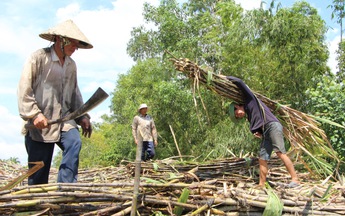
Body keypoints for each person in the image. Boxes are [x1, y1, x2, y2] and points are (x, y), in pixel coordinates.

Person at [17, 19, 93, 185]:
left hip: (64, 120)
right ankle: (37, 205)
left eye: (77, 44)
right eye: (73, 43)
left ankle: (65, 190)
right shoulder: (38, 58)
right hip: (41, 124)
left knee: (74, 142)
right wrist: (35, 114)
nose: (76, 47)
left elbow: (74, 93)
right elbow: (24, 89)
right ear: (60, 39)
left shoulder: (71, 65)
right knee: (38, 173)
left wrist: (82, 117)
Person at [223, 75, 300, 188]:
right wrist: (257, 131)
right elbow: (257, 122)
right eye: (237, 116)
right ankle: (261, 184)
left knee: (280, 153)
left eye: (236, 112)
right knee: (262, 158)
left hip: (272, 126)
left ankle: (295, 179)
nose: (238, 115)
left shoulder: (250, 99)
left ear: (237, 106)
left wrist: (224, 77)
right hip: (265, 131)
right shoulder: (249, 115)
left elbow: (239, 81)